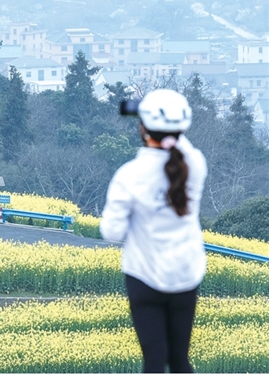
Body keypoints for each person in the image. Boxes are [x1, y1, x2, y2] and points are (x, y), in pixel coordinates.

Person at [100, 89, 207, 373]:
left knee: (154, 361)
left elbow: (111, 231)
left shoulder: (130, 175)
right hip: (185, 273)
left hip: (144, 277)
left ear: (143, 128)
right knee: (180, 360)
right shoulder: (195, 164)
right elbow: (181, 144)